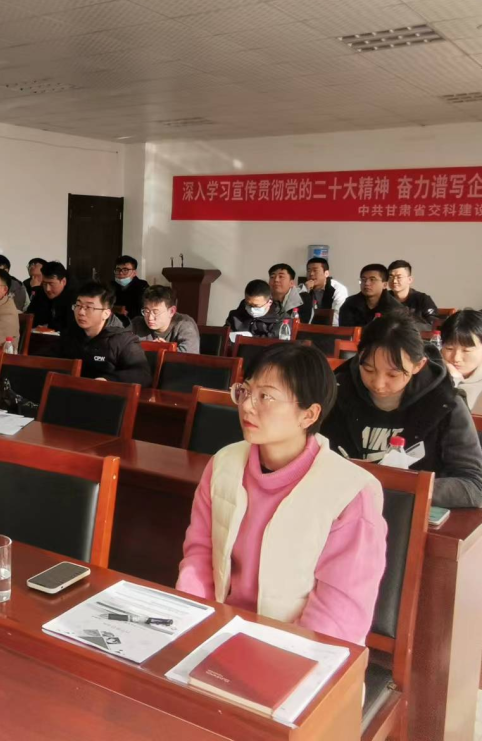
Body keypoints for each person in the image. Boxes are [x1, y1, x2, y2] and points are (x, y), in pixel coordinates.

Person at [177, 342, 387, 646]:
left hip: (300, 650)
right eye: (246, 391)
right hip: (220, 632)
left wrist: (275, 653)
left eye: (266, 396)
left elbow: (339, 616)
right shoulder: (224, 464)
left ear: (308, 415)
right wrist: (194, 625)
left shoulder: (351, 493)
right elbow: (200, 555)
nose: (247, 406)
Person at [321, 311, 482, 508]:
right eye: (369, 370)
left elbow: (474, 485)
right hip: (341, 509)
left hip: (409, 514)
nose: (378, 384)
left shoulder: (445, 404)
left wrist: (402, 488)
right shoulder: (335, 393)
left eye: (393, 374)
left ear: (418, 365)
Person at [56, 281, 151, 385]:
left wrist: (107, 380)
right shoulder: (70, 334)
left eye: (89, 307)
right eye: (78, 305)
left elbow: (143, 374)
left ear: (106, 313)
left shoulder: (123, 340)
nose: (81, 312)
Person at [130, 285, 200, 353]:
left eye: (156, 312)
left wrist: (167, 349)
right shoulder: (137, 323)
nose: (150, 318)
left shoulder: (185, 323)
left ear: (171, 311)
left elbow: (189, 356)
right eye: (146, 311)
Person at [441, 310, 482, 413]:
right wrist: (451, 379)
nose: (456, 358)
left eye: (466, 350)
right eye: (449, 348)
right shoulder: (430, 372)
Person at [338, 264, 403, 329]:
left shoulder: (395, 308)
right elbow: (344, 330)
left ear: (385, 285)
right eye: (363, 279)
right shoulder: (350, 303)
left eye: (372, 279)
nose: (367, 283)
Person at [387, 259, 439, 328]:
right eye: (391, 277)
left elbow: (433, 324)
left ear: (410, 280)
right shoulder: (384, 298)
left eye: (399, 277)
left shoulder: (422, 299)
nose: (394, 281)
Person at [27, 262, 77, 332]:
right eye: (44, 283)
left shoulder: (75, 297)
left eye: (51, 284)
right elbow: (30, 316)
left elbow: (69, 325)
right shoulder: (41, 292)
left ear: (63, 281)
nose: (47, 289)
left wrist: (48, 326)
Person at [300, 257, 349, 325]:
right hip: (307, 327)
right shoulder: (304, 288)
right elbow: (296, 312)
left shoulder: (338, 289)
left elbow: (336, 316)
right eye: (308, 271)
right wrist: (305, 291)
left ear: (326, 273)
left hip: (330, 328)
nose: (311, 274)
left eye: (315, 270)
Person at [112, 255, 149, 321]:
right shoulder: (110, 286)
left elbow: (143, 311)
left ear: (134, 273)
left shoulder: (142, 287)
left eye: (125, 270)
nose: (120, 273)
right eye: (118, 270)